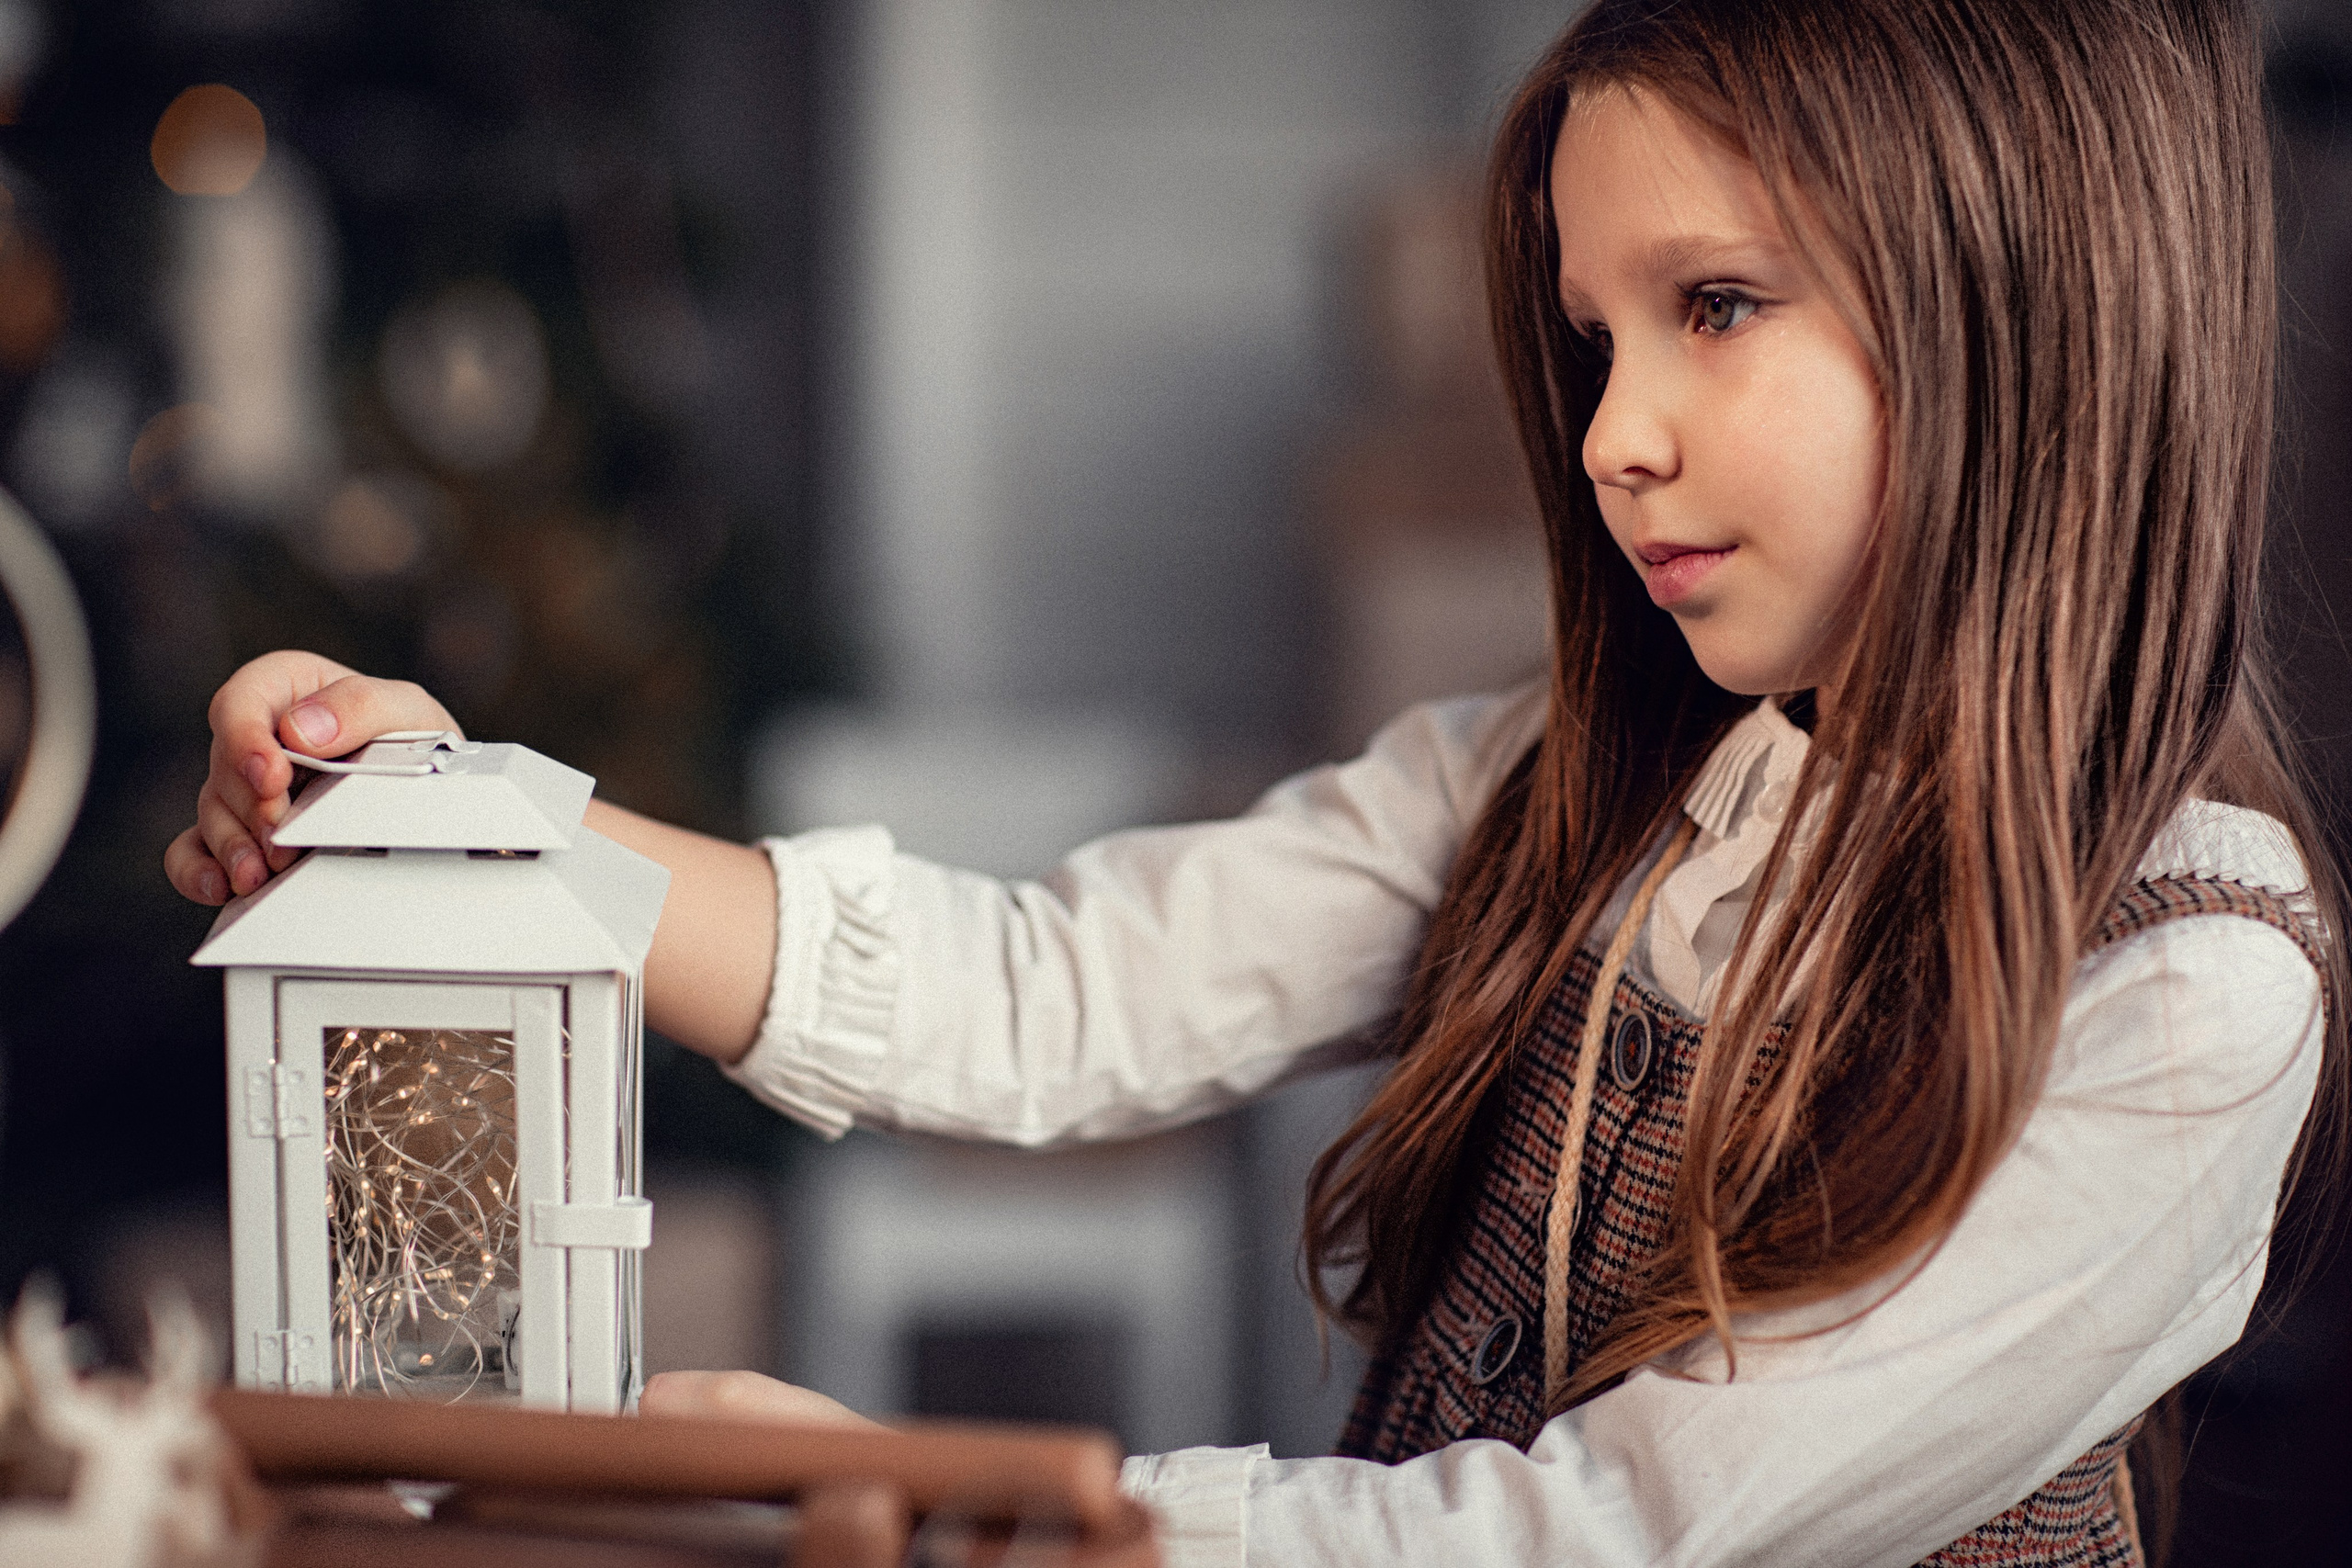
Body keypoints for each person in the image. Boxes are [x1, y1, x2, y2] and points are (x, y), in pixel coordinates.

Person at [166, 0, 2346, 1562]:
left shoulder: (2187, 992)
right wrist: (480, 814)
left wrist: (932, 1511)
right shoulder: (1566, 781)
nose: (1608, 435)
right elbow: (1049, 992)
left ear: (2023, 312)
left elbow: (1594, 1530)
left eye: (1711, 304)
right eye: (1593, 339)